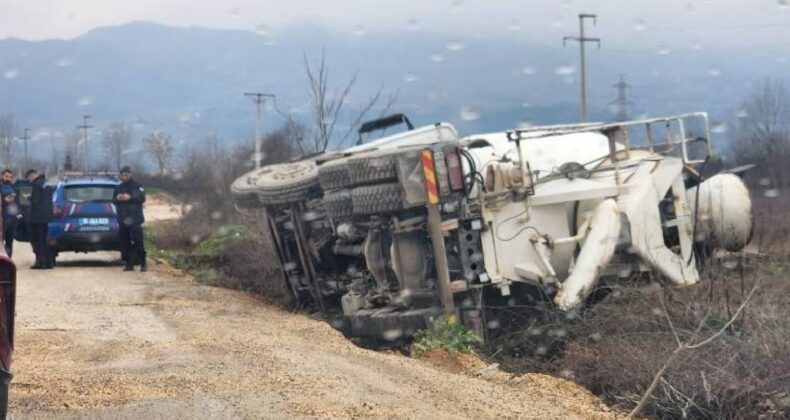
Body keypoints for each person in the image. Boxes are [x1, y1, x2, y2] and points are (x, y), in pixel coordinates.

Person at [113, 166, 147, 272]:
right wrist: (118, 198)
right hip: (123, 219)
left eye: (126, 175)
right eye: (122, 175)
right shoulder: (118, 187)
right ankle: (129, 264)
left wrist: (130, 198)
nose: (124, 177)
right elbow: (113, 200)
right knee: (125, 242)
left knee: (138, 241)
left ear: (130, 174)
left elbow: (142, 198)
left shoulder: (137, 186)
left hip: (135, 218)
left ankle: (143, 264)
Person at [26, 169, 54, 269]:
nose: (29, 181)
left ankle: (41, 263)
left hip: (37, 218)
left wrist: (29, 197)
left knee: (38, 241)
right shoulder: (47, 183)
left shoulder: (36, 185)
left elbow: (35, 201)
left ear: (31, 176)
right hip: (46, 217)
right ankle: (49, 262)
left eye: (29, 178)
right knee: (44, 240)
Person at [0, 170, 18, 256]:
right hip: (2, 218)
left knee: (9, 241)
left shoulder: (13, 187)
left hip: (12, 218)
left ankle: (8, 260)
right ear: (2, 176)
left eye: (10, 177)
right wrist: (4, 200)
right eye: (6, 176)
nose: (8, 179)